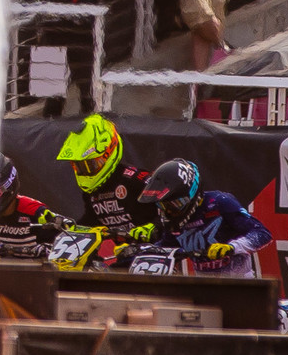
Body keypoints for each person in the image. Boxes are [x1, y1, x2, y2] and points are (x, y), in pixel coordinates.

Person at [133, 159, 274, 278]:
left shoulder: (219, 202)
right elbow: (165, 247)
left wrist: (231, 247)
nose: (169, 211)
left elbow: (262, 233)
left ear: (191, 194)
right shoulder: (175, 224)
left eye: (175, 204)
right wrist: (137, 250)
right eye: (163, 206)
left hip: (241, 285)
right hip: (204, 287)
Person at [57, 114, 156, 236]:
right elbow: (91, 221)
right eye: (79, 166)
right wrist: (69, 230)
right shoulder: (91, 192)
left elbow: (168, 210)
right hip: (119, 246)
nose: (85, 171)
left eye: (91, 164)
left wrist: (154, 227)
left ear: (107, 152)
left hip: (154, 244)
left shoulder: (135, 179)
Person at [0, 158, 67, 262]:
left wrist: (44, 250)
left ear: (8, 187)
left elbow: (66, 238)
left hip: (30, 271)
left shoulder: (35, 212)